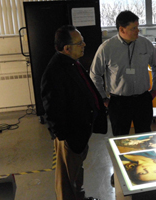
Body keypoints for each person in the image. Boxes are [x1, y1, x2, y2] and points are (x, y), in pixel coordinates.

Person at [41, 25, 107, 200]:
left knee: (76, 172)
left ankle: (79, 197)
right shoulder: (56, 70)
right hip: (70, 136)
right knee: (66, 180)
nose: (84, 45)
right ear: (67, 48)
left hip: (80, 132)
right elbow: (51, 108)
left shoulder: (72, 63)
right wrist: (65, 136)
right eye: (80, 43)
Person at [90, 10, 156, 136]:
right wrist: (103, 98)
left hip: (142, 100)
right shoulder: (107, 48)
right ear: (122, 30)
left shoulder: (145, 44)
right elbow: (94, 74)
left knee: (145, 137)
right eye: (133, 28)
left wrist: (155, 89)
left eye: (137, 27)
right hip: (119, 103)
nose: (137, 31)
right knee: (120, 137)